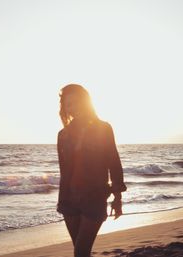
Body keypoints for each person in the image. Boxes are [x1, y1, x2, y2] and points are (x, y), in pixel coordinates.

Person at [56, 84, 127, 257]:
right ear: (65, 108)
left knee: (80, 251)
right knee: (81, 252)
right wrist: (62, 199)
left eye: (77, 102)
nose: (73, 107)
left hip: (94, 198)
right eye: (68, 104)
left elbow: (114, 162)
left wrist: (117, 197)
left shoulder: (103, 128)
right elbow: (64, 171)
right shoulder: (62, 135)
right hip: (68, 200)